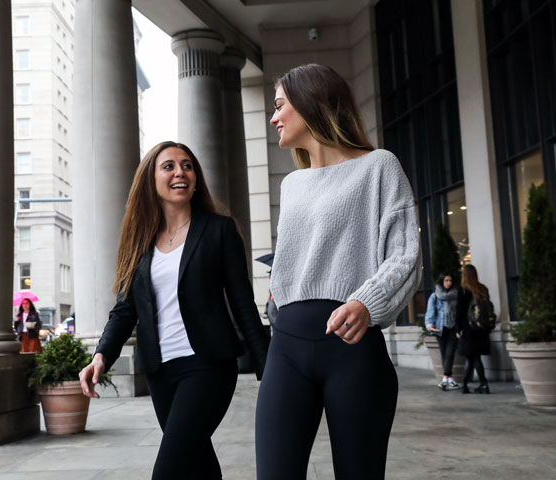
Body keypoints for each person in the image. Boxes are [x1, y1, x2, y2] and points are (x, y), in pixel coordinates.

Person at [256, 64, 421, 479]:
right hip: (287, 346)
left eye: (280, 106)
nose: (274, 117)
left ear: (310, 101)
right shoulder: (291, 184)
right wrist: (276, 297)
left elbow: (405, 255)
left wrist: (367, 301)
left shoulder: (379, 166)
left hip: (352, 347)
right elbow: (292, 256)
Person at [78, 141, 269, 479]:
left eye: (187, 165)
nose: (180, 172)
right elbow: (124, 310)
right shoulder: (139, 240)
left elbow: (242, 303)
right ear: (150, 180)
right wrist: (101, 356)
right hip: (161, 372)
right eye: (169, 166)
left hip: (208, 366)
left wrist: (268, 370)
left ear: (195, 178)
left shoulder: (218, 230)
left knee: (168, 470)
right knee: (197, 464)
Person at [456, 264, 491, 394]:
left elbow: (459, 312)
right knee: (473, 357)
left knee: (473, 357)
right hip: (481, 329)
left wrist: (458, 329)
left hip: (468, 329)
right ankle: (468, 385)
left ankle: (481, 384)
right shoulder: (483, 289)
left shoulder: (463, 290)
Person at [425, 273, 461, 391]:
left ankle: (445, 379)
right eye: (446, 280)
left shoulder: (456, 295)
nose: (448, 283)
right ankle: (448, 379)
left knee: (450, 353)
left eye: (450, 280)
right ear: (442, 282)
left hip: (452, 328)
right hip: (440, 329)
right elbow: (430, 311)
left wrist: (460, 328)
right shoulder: (435, 296)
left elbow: (459, 314)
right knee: (444, 353)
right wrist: (429, 325)